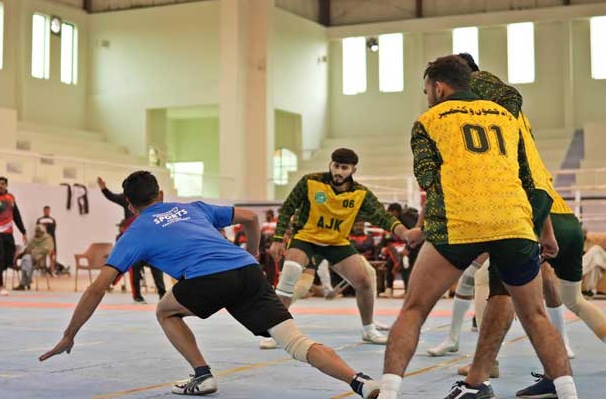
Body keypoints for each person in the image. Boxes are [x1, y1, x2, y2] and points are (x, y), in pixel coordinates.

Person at [39, 171, 381, 399]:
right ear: (160, 193)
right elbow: (250, 217)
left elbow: (96, 288)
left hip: (207, 278)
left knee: (165, 311)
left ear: (129, 205)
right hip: (247, 272)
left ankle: (202, 375)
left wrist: (69, 334)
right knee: (295, 342)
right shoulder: (193, 208)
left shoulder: (135, 233)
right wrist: (252, 254)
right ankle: (358, 381)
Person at [376, 56, 576, 399]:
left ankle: (391, 392)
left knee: (414, 309)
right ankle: (568, 393)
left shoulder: (428, 120)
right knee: (535, 315)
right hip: (513, 222)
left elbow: (429, 179)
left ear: (438, 87)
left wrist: (430, 228)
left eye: (426, 90)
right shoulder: (507, 116)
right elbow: (529, 180)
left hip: (460, 223)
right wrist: (544, 231)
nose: (427, 97)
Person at [453, 54, 606, 399]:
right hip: (564, 213)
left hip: (537, 214)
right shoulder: (516, 117)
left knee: (491, 283)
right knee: (570, 297)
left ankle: (488, 368)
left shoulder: (485, 114)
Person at [262, 148, 416, 349]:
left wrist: (404, 233)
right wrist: (278, 239)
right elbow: (288, 208)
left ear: (353, 169)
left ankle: (368, 329)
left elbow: (382, 216)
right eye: (336, 166)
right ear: (330, 164)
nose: (339, 171)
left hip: (336, 242)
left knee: (364, 281)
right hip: (306, 237)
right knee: (290, 272)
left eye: (344, 168)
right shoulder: (310, 181)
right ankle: (277, 331)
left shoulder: (360, 193)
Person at [14, 225, 54, 290]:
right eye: (36, 231)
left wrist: (33, 252)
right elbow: (28, 247)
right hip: (30, 257)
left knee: (26, 260)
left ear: (42, 232)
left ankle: (24, 283)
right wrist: (23, 253)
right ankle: (25, 282)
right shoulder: (34, 238)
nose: (37, 233)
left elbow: (47, 249)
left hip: (40, 259)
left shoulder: (47, 239)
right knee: (25, 259)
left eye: (38, 231)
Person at [36, 206, 57, 274]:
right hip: (42, 241)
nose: (47, 212)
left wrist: (46, 227)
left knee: (52, 255)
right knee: (42, 256)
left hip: (51, 240)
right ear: (43, 211)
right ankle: (43, 270)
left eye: (48, 210)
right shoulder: (39, 220)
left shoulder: (52, 220)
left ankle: (52, 270)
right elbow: (38, 230)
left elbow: (53, 230)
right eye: (46, 210)